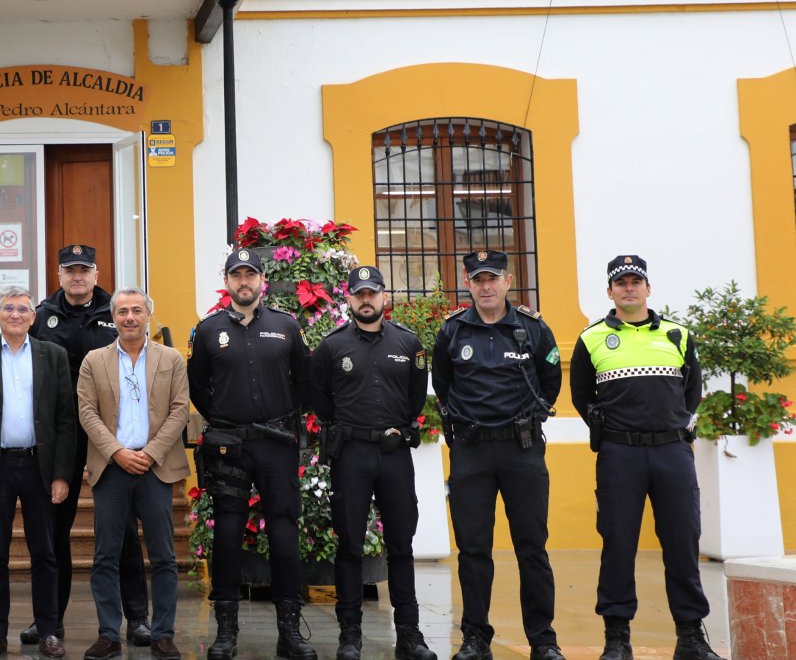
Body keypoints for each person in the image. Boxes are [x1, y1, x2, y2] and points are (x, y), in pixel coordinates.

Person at [569, 255, 723, 660]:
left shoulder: (678, 335)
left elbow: (692, 391)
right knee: (618, 543)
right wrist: (610, 432)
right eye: (621, 283)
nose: (629, 288)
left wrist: (677, 427)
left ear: (648, 288)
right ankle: (617, 638)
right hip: (620, 454)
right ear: (610, 292)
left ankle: (690, 637)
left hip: (672, 451)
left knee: (682, 543)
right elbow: (581, 397)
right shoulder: (592, 338)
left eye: (636, 281)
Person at [432, 250, 563, 660]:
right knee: (473, 550)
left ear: (507, 281)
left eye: (492, 279)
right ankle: (475, 638)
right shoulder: (453, 332)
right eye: (477, 279)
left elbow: (551, 381)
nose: (486, 286)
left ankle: (543, 640)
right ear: (468, 284)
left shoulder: (532, 328)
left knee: (532, 547)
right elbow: (443, 382)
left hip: (521, 449)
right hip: (471, 451)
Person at [188, 249, 315, 660]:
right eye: (236, 275)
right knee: (226, 533)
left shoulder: (286, 326)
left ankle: (289, 631)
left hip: (277, 443)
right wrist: (227, 420)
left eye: (251, 274)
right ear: (226, 281)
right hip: (230, 446)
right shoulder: (207, 332)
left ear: (262, 280)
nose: (244, 282)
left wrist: (280, 416)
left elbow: (303, 380)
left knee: (283, 532)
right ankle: (226, 631)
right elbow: (198, 387)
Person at [310, 265, 436, 660]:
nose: (366, 299)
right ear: (348, 299)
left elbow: (416, 398)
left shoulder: (409, 343)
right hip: (352, 454)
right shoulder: (331, 347)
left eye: (373, 293)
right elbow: (320, 400)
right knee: (349, 544)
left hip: (395, 453)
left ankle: (410, 635)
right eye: (359, 293)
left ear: (384, 297)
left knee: (401, 545)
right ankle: (350, 635)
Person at [27, 245, 150, 648]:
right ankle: (49, 620)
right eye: (70, 270)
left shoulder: (115, 313)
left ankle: (137, 617)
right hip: (61, 433)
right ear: (59, 275)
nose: (77, 276)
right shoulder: (41, 316)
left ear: (96, 274)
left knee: (125, 528)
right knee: (53, 529)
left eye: (84, 269)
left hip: (110, 435)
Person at [0, 286, 75, 659]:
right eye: (8, 308)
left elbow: (66, 420)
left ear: (33, 317)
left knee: (46, 553)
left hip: (39, 466)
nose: (15, 314)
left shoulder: (53, 355)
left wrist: (62, 474)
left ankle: (49, 630)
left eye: (23, 308)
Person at [77, 288, 190, 660]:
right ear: (114, 317)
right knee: (106, 556)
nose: (129, 317)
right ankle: (109, 633)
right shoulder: (94, 360)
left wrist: (150, 453)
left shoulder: (171, 359)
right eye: (122, 311)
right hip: (111, 468)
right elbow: (87, 413)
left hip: (155, 470)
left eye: (136, 310)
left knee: (163, 557)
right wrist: (117, 452)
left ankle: (163, 635)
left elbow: (178, 411)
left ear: (148, 315)